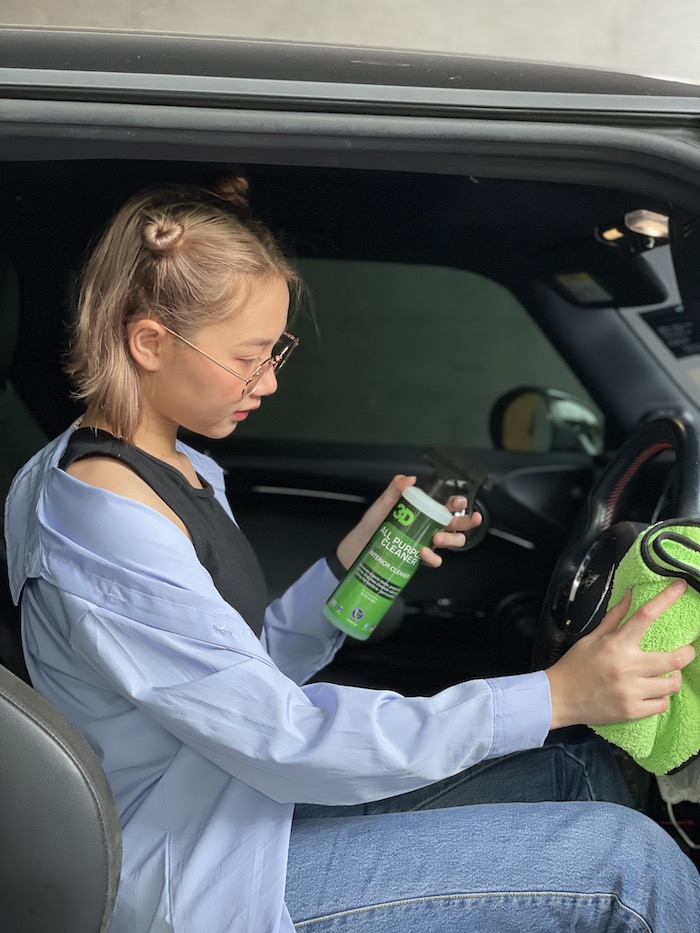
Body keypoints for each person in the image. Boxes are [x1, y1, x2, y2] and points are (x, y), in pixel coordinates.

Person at [4, 175, 699, 933]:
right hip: (199, 874)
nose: (269, 380)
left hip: (239, 802)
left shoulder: (171, 467)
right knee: (631, 865)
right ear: (150, 342)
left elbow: (239, 676)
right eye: (250, 356)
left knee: (573, 768)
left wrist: (349, 566)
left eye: (277, 350)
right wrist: (555, 695)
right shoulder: (100, 518)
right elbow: (280, 735)